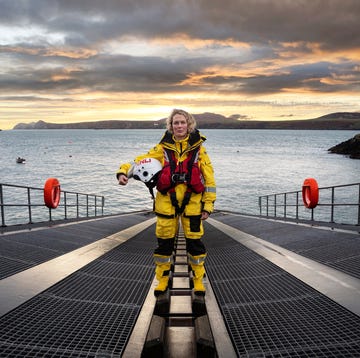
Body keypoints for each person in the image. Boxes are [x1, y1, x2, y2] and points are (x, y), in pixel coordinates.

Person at [116, 109, 216, 296]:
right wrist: (123, 173)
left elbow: (209, 181)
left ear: (189, 124)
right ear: (170, 126)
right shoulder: (161, 149)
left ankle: (198, 280)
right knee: (164, 245)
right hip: (166, 205)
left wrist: (208, 206)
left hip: (192, 205)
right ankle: (162, 280)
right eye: (175, 123)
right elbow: (138, 162)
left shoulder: (200, 150)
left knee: (195, 245)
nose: (179, 126)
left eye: (182, 122)